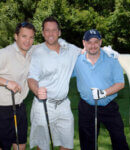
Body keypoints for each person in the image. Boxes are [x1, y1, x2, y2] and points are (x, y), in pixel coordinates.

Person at [27, 16, 81, 150]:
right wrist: (36, 90)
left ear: (59, 32)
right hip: (43, 105)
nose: (51, 34)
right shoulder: (36, 52)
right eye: (47, 30)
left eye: (54, 30)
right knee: (43, 146)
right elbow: (31, 78)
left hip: (64, 105)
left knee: (67, 144)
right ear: (43, 32)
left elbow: (89, 52)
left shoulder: (70, 49)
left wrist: (110, 52)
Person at [72, 29, 129, 150]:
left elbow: (120, 83)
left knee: (119, 140)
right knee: (87, 144)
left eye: (96, 42)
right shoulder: (77, 61)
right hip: (86, 108)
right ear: (84, 43)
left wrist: (103, 93)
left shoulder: (111, 59)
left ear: (100, 42)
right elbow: (61, 72)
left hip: (109, 107)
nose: (93, 45)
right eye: (89, 42)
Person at [0, 22, 36, 150]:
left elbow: (51, 45)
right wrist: (7, 82)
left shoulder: (32, 52)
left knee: (21, 145)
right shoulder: (5, 53)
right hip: (2, 109)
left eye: (31, 37)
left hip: (20, 107)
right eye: (24, 36)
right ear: (16, 36)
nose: (28, 41)